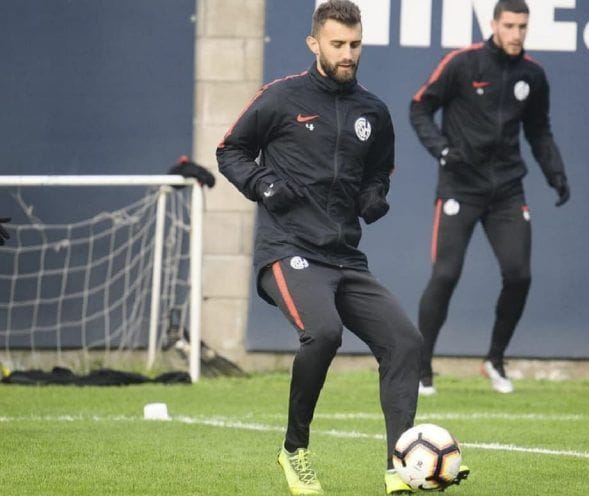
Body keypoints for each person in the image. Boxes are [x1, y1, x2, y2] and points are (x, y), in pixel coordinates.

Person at [217, 2, 466, 494]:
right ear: (314, 44)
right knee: (324, 333)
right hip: (287, 247)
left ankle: (401, 467)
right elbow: (230, 150)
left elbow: (379, 170)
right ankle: (294, 451)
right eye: (337, 44)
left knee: (405, 342)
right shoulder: (281, 97)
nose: (348, 53)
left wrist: (374, 196)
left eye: (354, 44)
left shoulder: (373, 111)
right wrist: (264, 184)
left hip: (344, 256)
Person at [410, 0, 570, 395]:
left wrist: (555, 172)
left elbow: (539, 130)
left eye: (522, 26)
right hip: (460, 186)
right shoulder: (462, 63)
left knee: (519, 275)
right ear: (494, 24)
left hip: (507, 189)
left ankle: (494, 360)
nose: (516, 34)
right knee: (445, 274)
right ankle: (421, 367)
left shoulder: (533, 74)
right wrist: (443, 150)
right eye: (509, 25)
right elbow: (419, 108)